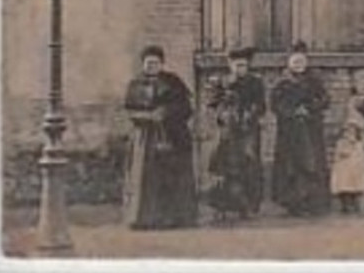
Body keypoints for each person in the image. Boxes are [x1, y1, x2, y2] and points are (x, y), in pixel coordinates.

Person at [121, 45, 198, 230]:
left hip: (172, 136)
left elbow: (186, 108)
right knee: (145, 177)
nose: (152, 66)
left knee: (172, 176)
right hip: (145, 139)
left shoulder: (174, 82)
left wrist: (166, 112)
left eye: (156, 63)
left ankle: (174, 218)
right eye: (148, 63)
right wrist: (147, 117)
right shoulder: (135, 84)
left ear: (162, 64)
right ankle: (144, 218)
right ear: (143, 65)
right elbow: (129, 110)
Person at [204, 46, 265, 221]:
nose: (240, 69)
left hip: (248, 131)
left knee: (249, 164)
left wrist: (250, 113)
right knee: (223, 167)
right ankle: (220, 207)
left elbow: (261, 105)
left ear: (248, 66)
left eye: (243, 65)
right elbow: (211, 104)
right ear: (230, 65)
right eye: (237, 65)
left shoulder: (256, 82)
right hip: (227, 132)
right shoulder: (221, 82)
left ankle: (246, 206)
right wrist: (223, 113)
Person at [269, 44, 330, 217]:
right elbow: (275, 104)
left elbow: (325, 100)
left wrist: (309, 108)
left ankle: (312, 203)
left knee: (312, 163)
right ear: (289, 63)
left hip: (311, 129)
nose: (298, 64)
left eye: (301, 61)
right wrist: (292, 112)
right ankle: (292, 203)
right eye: (295, 61)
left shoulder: (315, 81)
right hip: (289, 131)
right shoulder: (282, 83)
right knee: (290, 166)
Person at [330, 122, 364, 214]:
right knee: (345, 185)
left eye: (352, 132)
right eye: (347, 132)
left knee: (356, 186)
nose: (349, 134)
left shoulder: (360, 143)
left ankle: (356, 206)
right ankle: (346, 205)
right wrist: (349, 144)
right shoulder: (341, 143)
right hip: (345, 168)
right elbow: (342, 153)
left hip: (357, 168)